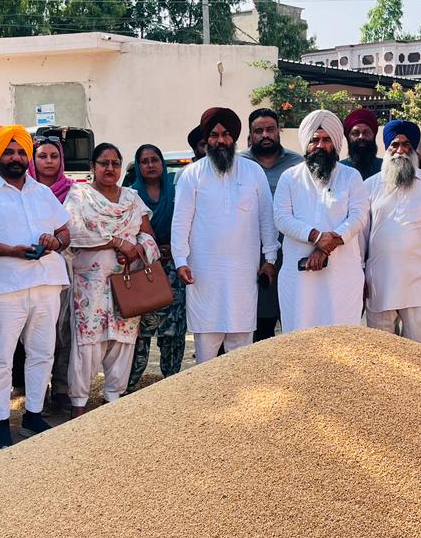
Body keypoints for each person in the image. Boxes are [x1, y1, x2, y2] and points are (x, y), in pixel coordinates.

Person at [0, 125, 70, 450]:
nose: (16, 157)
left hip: (46, 283)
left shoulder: (42, 192)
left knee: (42, 352)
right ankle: (0, 422)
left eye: (21, 152)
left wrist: (55, 242)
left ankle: (33, 414)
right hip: (4, 286)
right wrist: (11, 251)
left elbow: (65, 232)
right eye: (9, 152)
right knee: (0, 357)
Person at [172, 108, 278, 363]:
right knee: (206, 351)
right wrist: (180, 260)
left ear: (235, 138)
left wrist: (270, 259)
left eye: (226, 134)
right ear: (206, 139)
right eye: (214, 135)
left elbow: (266, 218)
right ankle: (205, 392)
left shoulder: (253, 172)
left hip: (243, 275)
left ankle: (240, 392)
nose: (220, 140)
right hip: (203, 275)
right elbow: (181, 221)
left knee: (241, 350)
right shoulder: (192, 174)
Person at [64, 143, 160, 417]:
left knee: (122, 341)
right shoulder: (79, 195)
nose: (110, 168)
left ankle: (114, 404)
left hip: (127, 282)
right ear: (92, 167)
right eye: (104, 163)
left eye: (115, 163)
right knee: (88, 343)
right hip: (90, 284)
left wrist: (136, 249)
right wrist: (118, 242)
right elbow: (75, 234)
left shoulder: (132, 198)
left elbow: (148, 235)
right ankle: (79, 406)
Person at [274, 109, 371, 333]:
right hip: (299, 277)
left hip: (342, 273)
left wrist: (325, 247)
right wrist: (316, 237)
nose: (320, 146)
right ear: (306, 144)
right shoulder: (289, 177)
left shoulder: (350, 176)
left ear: (335, 144)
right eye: (314, 140)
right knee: (299, 335)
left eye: (327, 140)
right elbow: (281, 217)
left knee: (341, 335)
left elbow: (359, 216)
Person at [362, 120, 421, 345]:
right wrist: (360, 274)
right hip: (379, 282)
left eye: (406, 145)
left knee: (418, 350)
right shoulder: (370, 185)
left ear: (414, 150)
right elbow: (361, 236)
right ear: (386, 148)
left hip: (419, 281)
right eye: (395, 145)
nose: (400, 150)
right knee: (381, 352)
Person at [240, 107, 303, 342]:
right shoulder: (239, 164)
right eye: (259, 131)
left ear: (279, 131)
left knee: (294, 326)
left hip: (292, 255)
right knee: (259, 330)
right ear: (250, 135)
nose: (265, 135)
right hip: (252, 260)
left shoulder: (298, 164)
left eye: (270, 129)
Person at [126, 144, 187, 384]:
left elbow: (188, 223)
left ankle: (171, 382)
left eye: (155, 160)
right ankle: (129, 386)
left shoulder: (177, 192)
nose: (150, 165)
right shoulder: (130, 196)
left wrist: (176, 247)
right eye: (144, 161)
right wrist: (150, 248)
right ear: (138, 166)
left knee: (174, 330)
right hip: (143, 269)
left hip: (174, 267)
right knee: (141, 332)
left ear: (162, 163)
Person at [30, 135, 75, 414]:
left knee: (64, 329)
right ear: (33, 160)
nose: (48, 161)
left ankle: (61, 388)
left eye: (54, 156)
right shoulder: (25, 189)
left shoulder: (74, 191)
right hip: (30, 268)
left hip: (66, 268)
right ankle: (37, 392)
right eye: (42, 156)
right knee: (36, 332)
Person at [339, 108, 383, 180]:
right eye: (355, 133)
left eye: (366, 132)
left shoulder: (384, 167)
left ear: (374, 136)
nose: (361, 137)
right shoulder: (339, 169)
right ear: (348, 138)